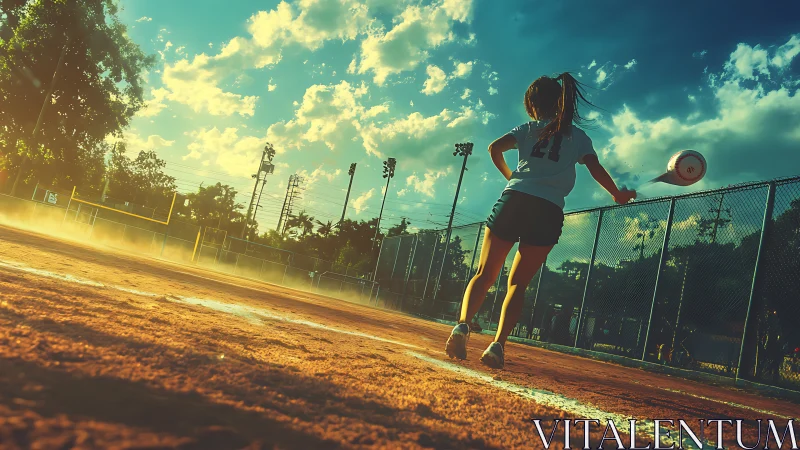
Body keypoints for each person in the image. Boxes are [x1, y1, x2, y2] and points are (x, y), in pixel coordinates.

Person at [444, 72, 636, 369]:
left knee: (485, 273)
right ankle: (497, 346)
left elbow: (494, 148)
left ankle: (462, 327)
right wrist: (616, 193)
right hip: (548, 210)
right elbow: (594, 167)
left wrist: (512, 178)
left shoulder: (528, 128)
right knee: (518, 285)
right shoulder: (578, 136)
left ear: (532, 104)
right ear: (560, 102)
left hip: (515, 200)